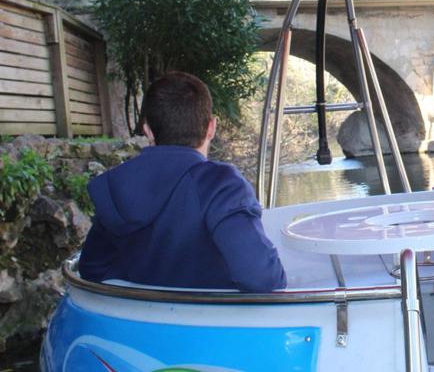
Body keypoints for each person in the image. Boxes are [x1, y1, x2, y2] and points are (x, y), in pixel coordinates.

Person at [79, 71, 286, 292]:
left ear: (148, 130)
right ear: (211, 127)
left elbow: (92, 270)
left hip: (140, 321)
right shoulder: (222, 186)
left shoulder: (116, 188)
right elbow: (263, 279)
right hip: (211, 322)